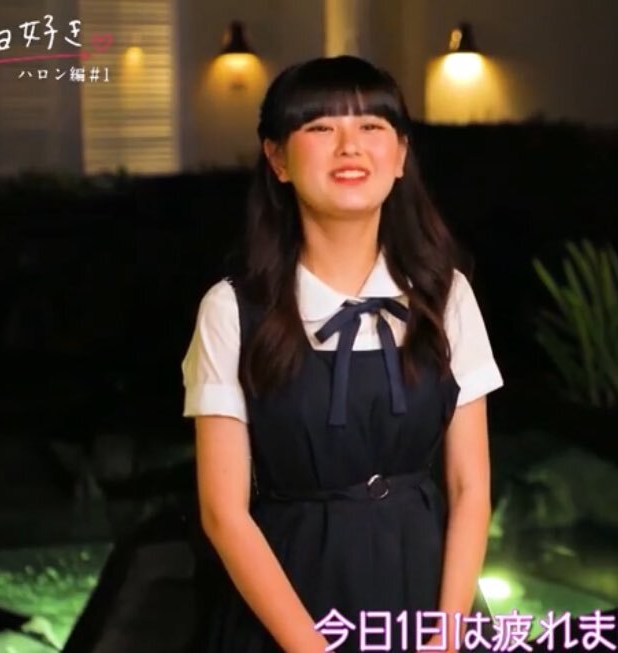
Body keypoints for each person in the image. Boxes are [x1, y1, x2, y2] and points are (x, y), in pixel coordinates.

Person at [180, 55, 503, 653]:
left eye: (372, 126)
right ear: (277, 158)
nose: (349, 146)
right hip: (289, 605)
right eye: (321, 127)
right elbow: (223, 514)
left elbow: (469, 487)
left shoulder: (445, 296)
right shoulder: (234, 309)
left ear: (400, 155)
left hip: (429, 597)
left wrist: (448, 637)